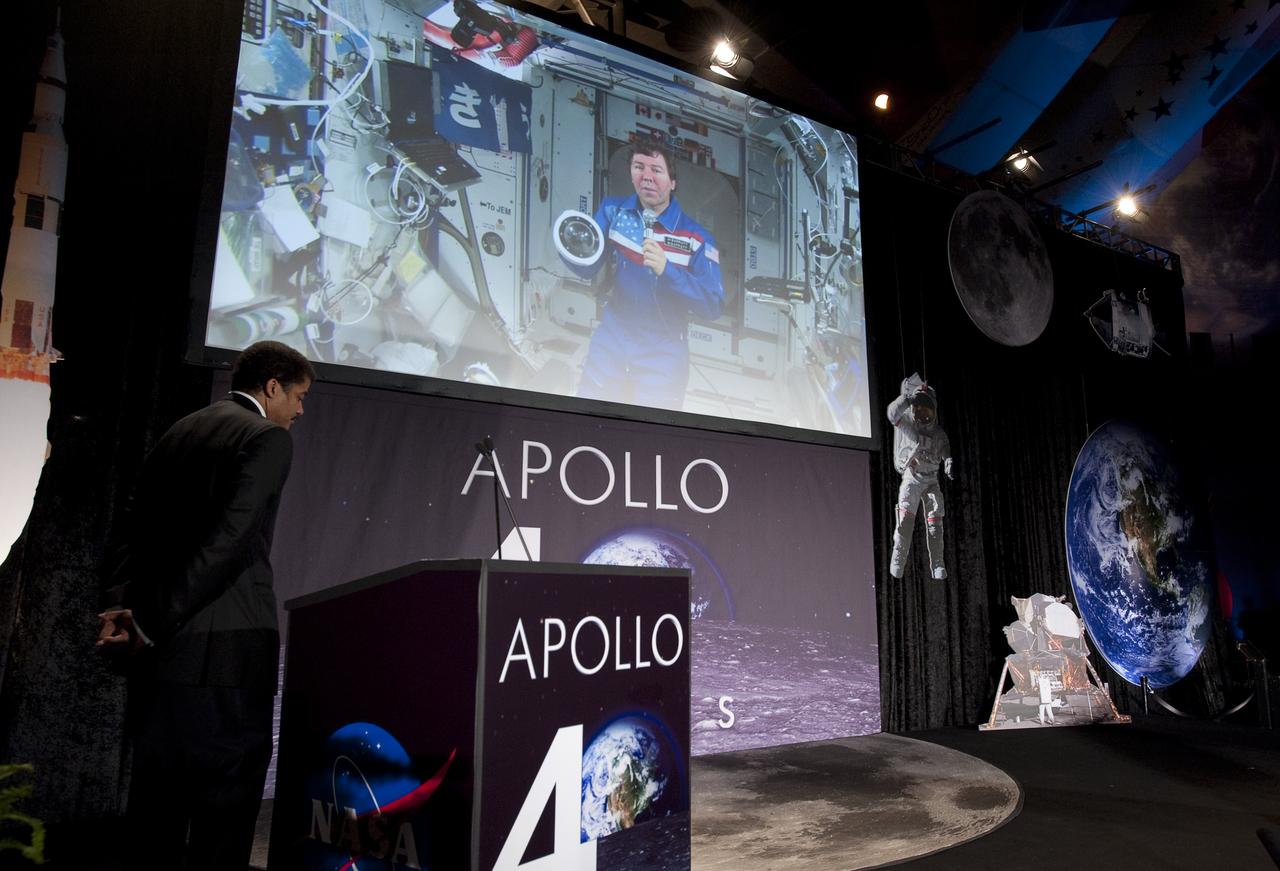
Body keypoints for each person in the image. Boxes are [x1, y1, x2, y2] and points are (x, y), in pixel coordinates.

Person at [96, 340, 314, 869]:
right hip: (225, 657)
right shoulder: (266, 439)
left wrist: (122, 609)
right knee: (224, 816)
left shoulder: (179, 431)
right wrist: (147, 621)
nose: (301, 411)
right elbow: (228, 543)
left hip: (160, 661)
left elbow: (130, 530)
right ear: (271, 387)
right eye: (299, 397)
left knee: (156, 815)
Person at [563, 138, 724, 409]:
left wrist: (668, 271)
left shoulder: (698, 238)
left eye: (656, 170)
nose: (646, 177)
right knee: (589, 418)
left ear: (673, 182)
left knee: (652, 436)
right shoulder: (613, 211)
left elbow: (713, 305)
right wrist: (569, 243)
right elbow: (587, 267)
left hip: (663, 350)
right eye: (639, 167)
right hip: (612, 338)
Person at [888, 373, 953, 580]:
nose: (921, 412)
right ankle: (898, 560)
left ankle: (937, 563)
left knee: (935, 525)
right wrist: (907, 399)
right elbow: (892, 415)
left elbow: (945, 448)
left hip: (932, 480)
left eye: (926, 408)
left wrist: (948, 461)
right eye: (918, 407)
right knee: (905, 522)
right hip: (913, 479)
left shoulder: (938, 433)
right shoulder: (909, 425)